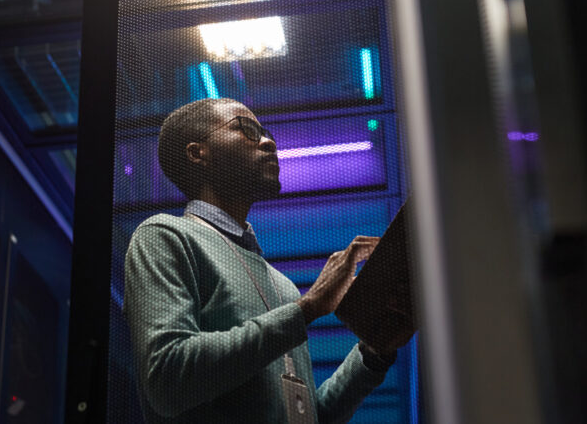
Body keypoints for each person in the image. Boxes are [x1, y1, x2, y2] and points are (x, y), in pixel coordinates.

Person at [124, 98, 402, 423]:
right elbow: (167, 381)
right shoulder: (164, 235)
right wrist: (307, 308)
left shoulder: (280, 283)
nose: (269, 142)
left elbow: (309, 415)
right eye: (246, 130)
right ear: (197, 153)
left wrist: (371, 354)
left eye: (265, 133)